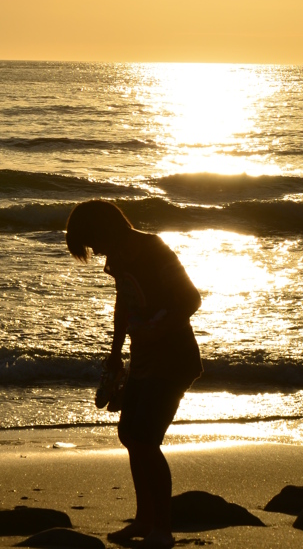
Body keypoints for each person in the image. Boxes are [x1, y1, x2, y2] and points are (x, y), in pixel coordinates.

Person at [66, 200, 202, 548]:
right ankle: (144, 519)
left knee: (145, 439)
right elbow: (124, 304)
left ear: (105, 229)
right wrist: (115, 354)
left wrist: (160, 330)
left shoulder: (154, 249)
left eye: (92, 241)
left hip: (173, 359)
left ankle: (163, 530)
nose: (95, 251)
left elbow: (190, 299)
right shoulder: (119, 257)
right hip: (142, 360)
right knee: (129, 434)